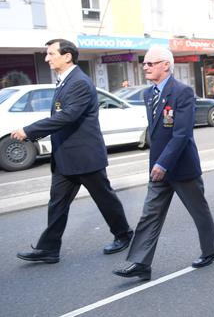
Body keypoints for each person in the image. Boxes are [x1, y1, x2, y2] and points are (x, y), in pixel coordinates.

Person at [12, 39, 132, 264]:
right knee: (57, 204)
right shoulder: (64, 81)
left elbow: (66, 116)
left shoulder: (78, 82)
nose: (47, 58)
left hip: (84, 156)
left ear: (67, 56)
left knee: (104, 198)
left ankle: (124, 234)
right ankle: (48, 249)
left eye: (51, 53)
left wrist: (29, 131)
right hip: (65, 157)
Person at [113, 45, 214, 281]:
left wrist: (163, 163)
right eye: (145, 63)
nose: (145, 67)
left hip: (181, 167)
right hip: (158, 168)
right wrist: (156, 164)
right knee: (149, 214)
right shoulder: (148, 94)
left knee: (198, 212)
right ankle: (140, 263)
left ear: (166, 65)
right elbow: (157, 132)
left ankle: (210, 250)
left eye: (151, 63)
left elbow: (181, 134)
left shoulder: (182, 92)